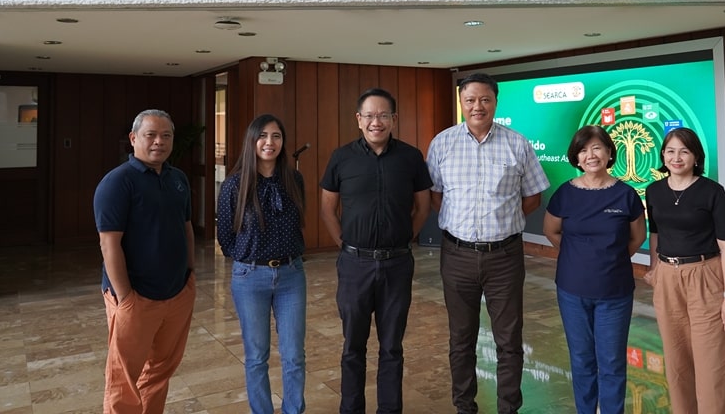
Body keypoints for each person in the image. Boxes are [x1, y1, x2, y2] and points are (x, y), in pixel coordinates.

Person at [426, 72, 550, 414]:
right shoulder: (443, 143)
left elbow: (532, 198)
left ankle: (508, 408)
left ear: (495, 102)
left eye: (484, 99)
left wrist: (501, 223)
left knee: (509, 341)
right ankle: (464, 406)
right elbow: (437, 197)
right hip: (457, 255)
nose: (477, 106)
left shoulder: (518, 143)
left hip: (504, 256)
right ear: (461, 103)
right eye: (470, 100)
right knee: (460, 339)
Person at [319, 87, 432, 414]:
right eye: (369, 115)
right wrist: (345, 243)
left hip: (397, 264)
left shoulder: (410, 157)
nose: (376, 122)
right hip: (355, 265)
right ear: (358, 120)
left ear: (394, 119)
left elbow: (423, 207)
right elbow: (328, 208)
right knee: (353, 347)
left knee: (392, 347)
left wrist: (403, 239)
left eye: (383, 115)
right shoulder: (342, 157)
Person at [94, 109, 196, 414]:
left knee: (160, 371)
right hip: (135, 298)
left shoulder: (178, 178)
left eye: (166, 136)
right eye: (151, 135)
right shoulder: (117, 182)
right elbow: (108, 243)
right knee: (124, 380)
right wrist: (125, 298)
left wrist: (189, 277)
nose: (158, 142)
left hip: (177, 293)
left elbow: (186, 227)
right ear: (133, 138)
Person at [643, 127, 725, 413]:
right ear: (663, 155)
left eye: (684, 151)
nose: (677, 157)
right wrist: (654, 268)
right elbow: (655, 234)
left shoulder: (712, 192)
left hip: (706, 275)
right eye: (671, 151)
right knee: (677, 359)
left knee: (714, 360)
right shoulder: (653, 191)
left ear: (696, 157)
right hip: (668, 277)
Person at [543, 125, 646, 414]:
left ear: (609, 153)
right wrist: (578, 258)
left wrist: (608, 259)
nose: (591, 155)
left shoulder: (626, 195)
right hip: (572, 291)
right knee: (581, 359)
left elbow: (637, 237)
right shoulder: (565, 193)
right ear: (576, 158)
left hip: (615, 292)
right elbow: (552, 231)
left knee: (612, 361)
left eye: (597, 147)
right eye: (583, 150)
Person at [216, 114, 307, 414]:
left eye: (276, 136)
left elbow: (299, 224)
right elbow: (225, 236)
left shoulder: (294, 179)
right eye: (263, 136)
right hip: (250, 277)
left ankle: (294, 410)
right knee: (257, 356)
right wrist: (247, 257)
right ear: (252, 141)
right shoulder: (234, 184)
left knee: (293, 355)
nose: (270, 142)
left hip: (291, 275)